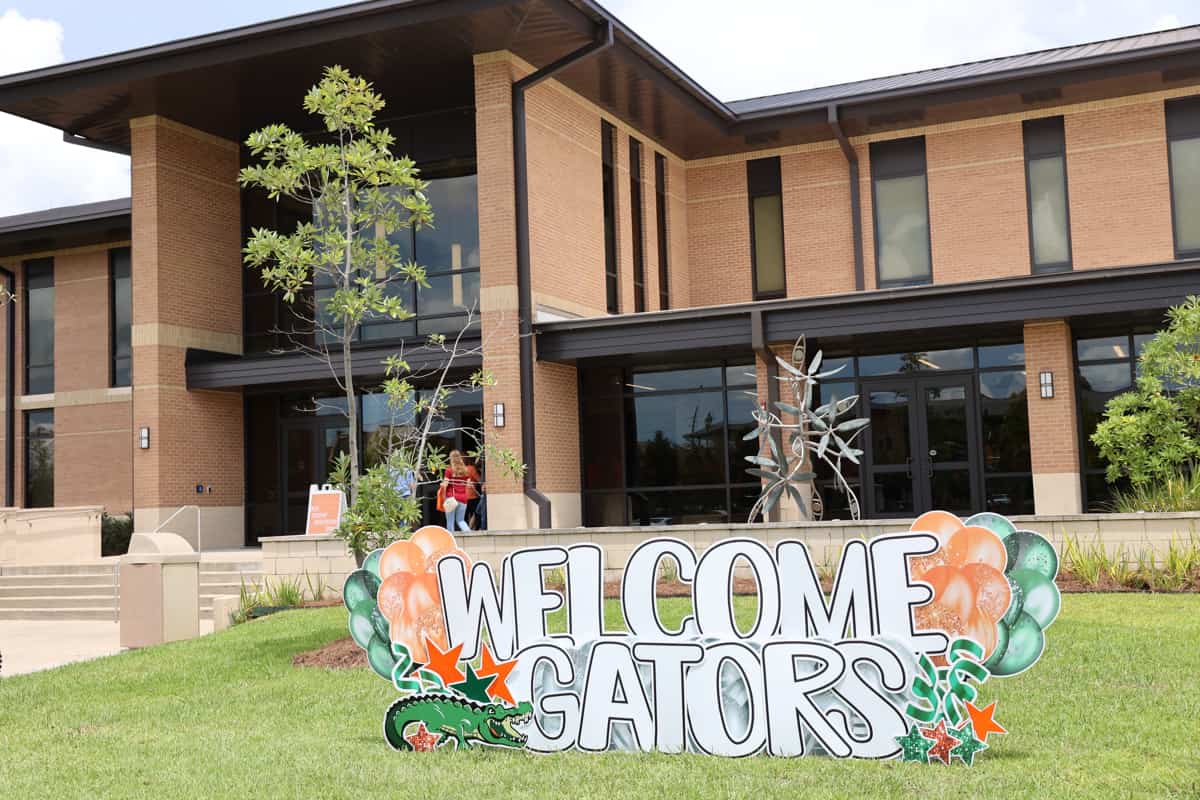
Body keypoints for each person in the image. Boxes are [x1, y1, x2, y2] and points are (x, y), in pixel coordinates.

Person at [441, 450, 478, 532]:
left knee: (450, 522)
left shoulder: (449, 471)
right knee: (461, 521)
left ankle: (452, 540)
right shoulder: (466, 471)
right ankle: (470, 536)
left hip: (451, 498)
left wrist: (442, 484)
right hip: (463, 498)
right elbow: (468, 485)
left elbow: (445, 484)